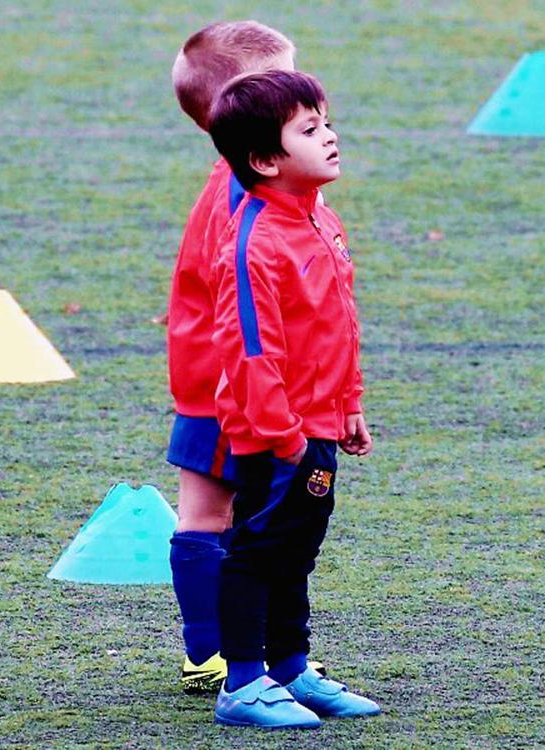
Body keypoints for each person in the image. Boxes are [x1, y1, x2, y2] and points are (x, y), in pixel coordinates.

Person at [207, 70, 381, 728]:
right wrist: (287, 443)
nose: (331, 137)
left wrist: (349, 403)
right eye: (309, 131)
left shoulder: (321, 218)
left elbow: (340, 320)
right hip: (277, 436)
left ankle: (289, 668)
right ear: (264, 160)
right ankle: (243, 683)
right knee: (258, 551)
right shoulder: (256, 244)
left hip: (319, 425)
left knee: (296, 551)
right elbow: (252, 353)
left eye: (327, 123)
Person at [166, 21, 302, 693]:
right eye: (283, 82)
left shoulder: (231, 174)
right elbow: (243, 288)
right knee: (222, 516)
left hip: (208, 366)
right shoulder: (247, 190)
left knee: (215, 512)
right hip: (234, 378)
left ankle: (216, 650)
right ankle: (219, 653)